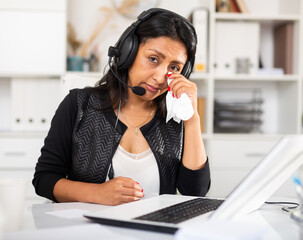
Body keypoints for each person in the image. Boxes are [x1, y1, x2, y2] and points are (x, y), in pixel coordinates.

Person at [33, 8, 210, 206]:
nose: (161, 77)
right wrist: (96, 193)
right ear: (128, 52)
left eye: (174, 68)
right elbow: (44, 179)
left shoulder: (175, 117)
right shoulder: (79, 104)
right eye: (153, 59)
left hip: (154, 232)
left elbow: (195, 192)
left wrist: (192, 119)